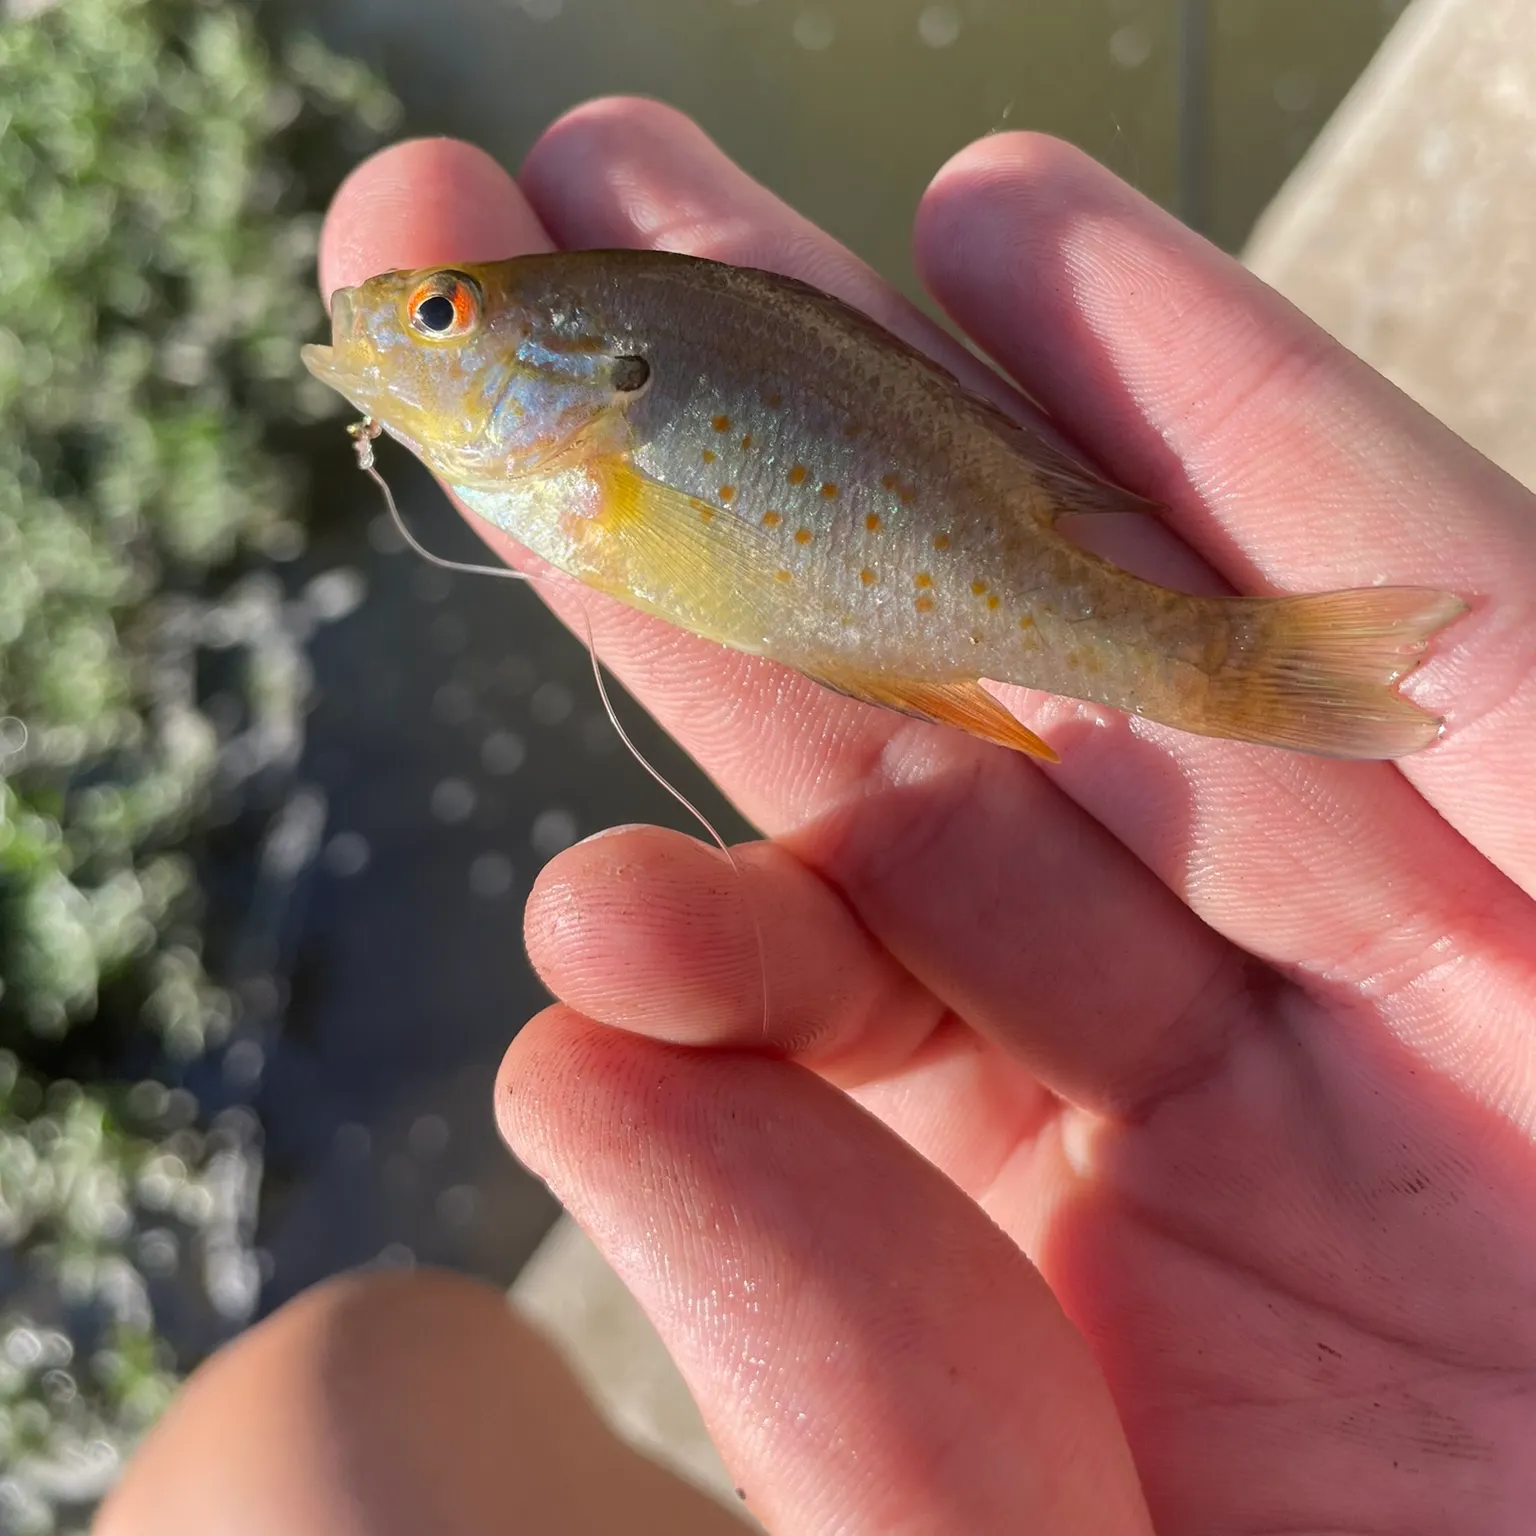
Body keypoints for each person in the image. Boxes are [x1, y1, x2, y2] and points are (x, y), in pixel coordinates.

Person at [96, 98, 1536, 1535]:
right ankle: (1230, 665)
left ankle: (1224, 665)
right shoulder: (577, 446)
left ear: (589, 376)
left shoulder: (597, 448)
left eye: (439, 313)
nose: (401, 331)